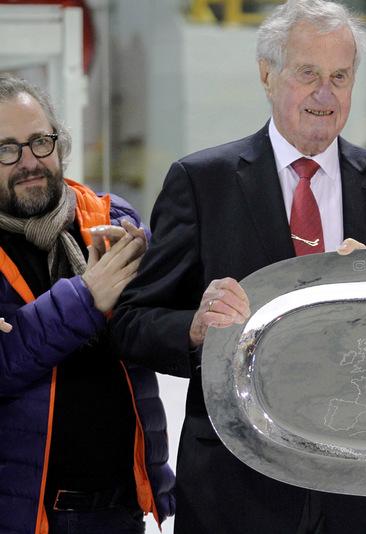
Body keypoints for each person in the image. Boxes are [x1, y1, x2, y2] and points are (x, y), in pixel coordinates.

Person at [110, 1, 366, 533]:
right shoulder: (201, 182)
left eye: (340, 76)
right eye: (308, 74)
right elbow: (131, 323)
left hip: (355, 489)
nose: (325, 94)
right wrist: (195, 328)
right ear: (267, 74)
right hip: (233, 490)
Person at [0, 75, 174, 533]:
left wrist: (160, 280)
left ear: (60, 142)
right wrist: (87, 297)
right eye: (7, 150)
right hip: (24, 517)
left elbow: (153, 336)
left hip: (121, 508)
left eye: (40, 141)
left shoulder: (111, 218)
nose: (29, 162)